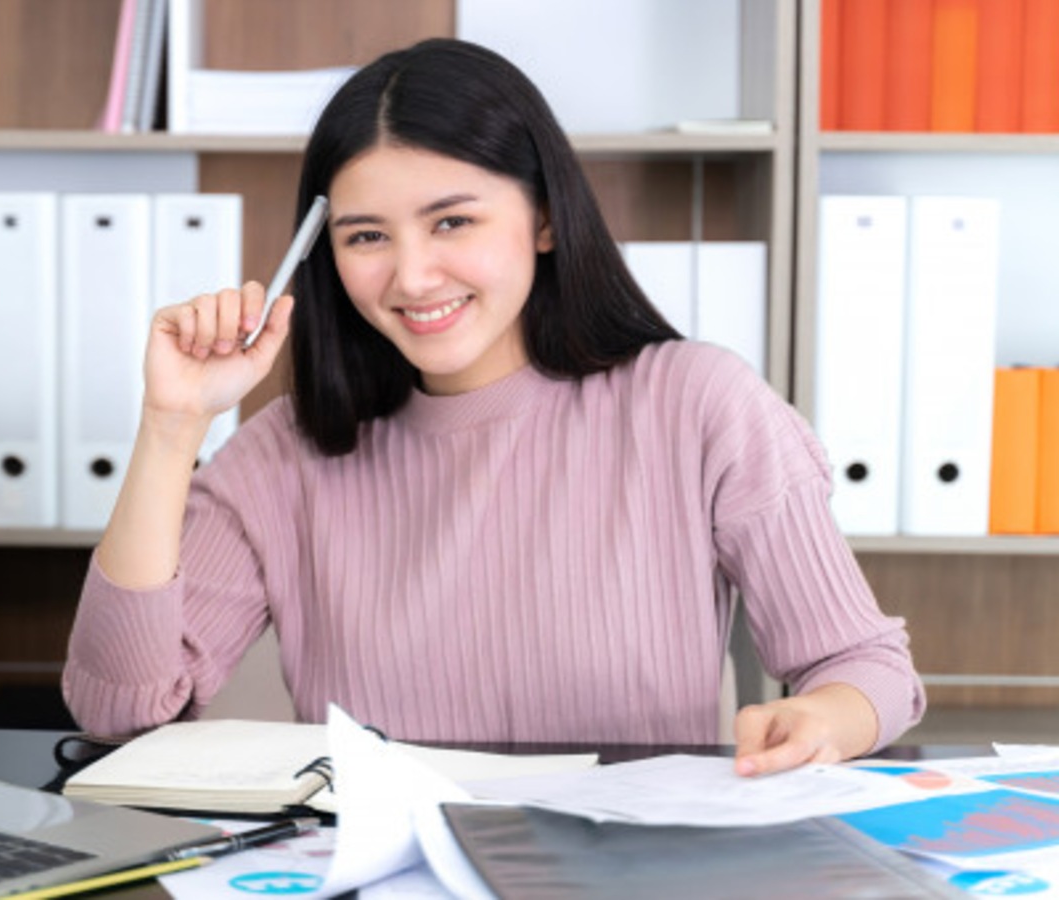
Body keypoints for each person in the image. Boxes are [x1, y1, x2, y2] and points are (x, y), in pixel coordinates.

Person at [62, 37, 924, 776]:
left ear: (544, 219)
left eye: (452, 222)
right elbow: (122, 712)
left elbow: (864, 665)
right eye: (366, 236)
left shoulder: (696, 403)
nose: (412, 277)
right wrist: (173, 427)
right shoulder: (286, 451)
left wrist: (823, 721)